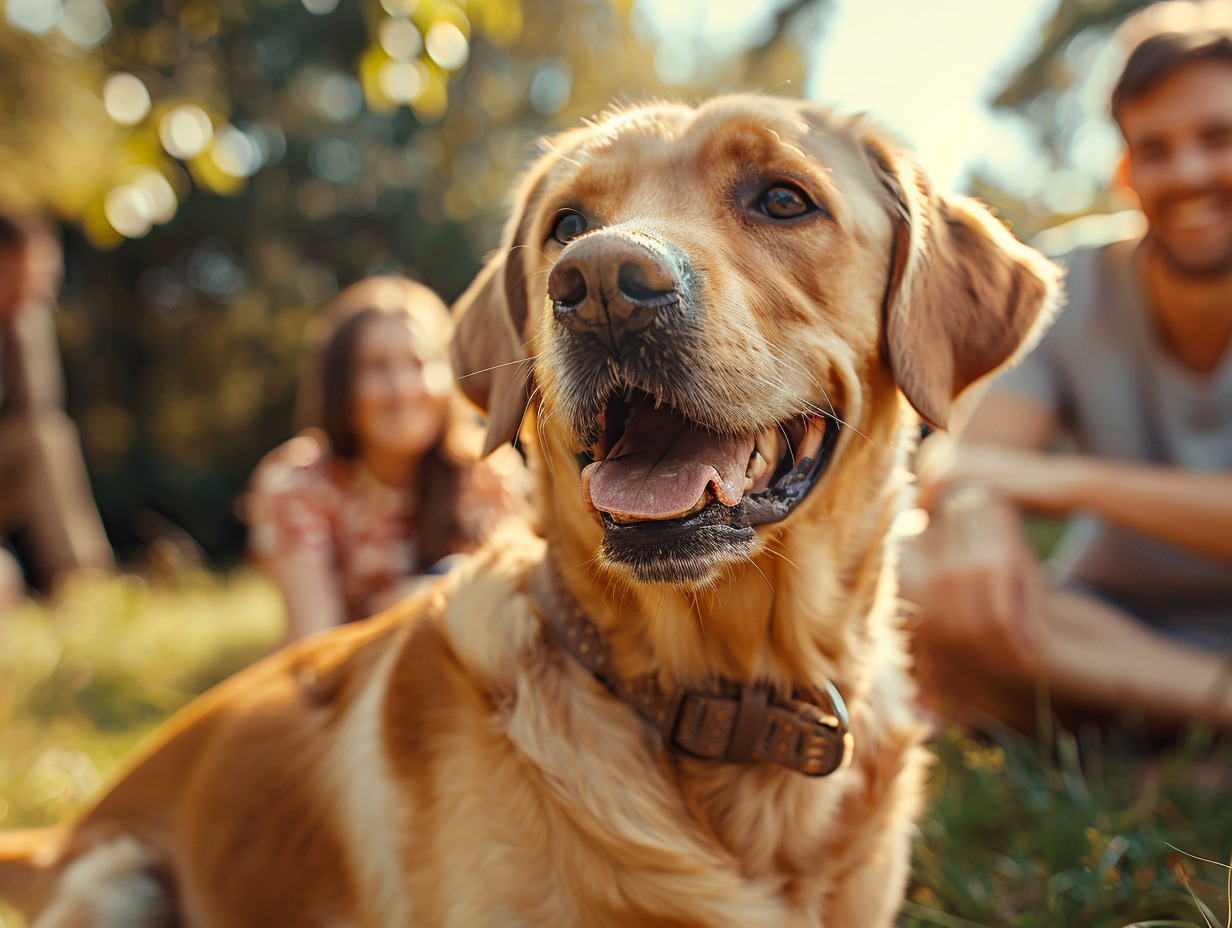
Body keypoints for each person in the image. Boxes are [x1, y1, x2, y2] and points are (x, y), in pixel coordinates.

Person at [901, 7, 1232, 734]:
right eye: (1156, 148)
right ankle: (1205, 712)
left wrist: (1065, 481)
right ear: (1125, 171)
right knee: (912, 575)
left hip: (1113, 665)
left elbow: (1009, 470)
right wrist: (975, 516)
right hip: (1112, 628)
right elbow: (964, 465)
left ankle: (1148, 737)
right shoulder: (1068, 281)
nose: (1190, 172)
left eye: (1218, 139)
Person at [244, 275, 529, 643]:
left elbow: (522, 597)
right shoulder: (299, 483)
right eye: (376, 367)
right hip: (353, 686)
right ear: (340, 385)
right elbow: (315, 647)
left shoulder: (488, 472)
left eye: (419, 362)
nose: (403, 389)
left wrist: (426, 595)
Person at [0, 209, 114, 603]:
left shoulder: (19, 324)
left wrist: (25, 326)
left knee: (49, 433)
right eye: (33, 267)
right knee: (44, 437)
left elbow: (38, 403)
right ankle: (82, 582)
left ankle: (85, 579)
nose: (45, 284)